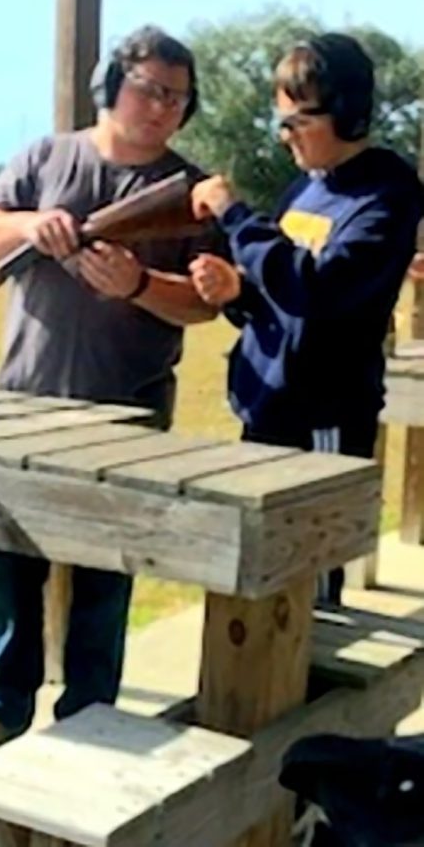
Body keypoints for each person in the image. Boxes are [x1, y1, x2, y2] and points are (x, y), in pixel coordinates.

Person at [0, 25, 225, 766]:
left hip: (127, 414)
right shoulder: (44, 157)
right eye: (150, 89)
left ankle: (89, 719)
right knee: (9, 572)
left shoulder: (187, 193)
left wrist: (138, 284)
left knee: (106, 579)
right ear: (111, 86)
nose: (163, 107)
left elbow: (204, 302)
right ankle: (1, 711)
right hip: (24, 405)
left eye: (177, 96)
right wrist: (32, 224)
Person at [189, 32, 424, 605]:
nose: (285, 136)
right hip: (268, 408)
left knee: (308, 584)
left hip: (325, 414)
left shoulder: (386, 197)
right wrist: (237, 293)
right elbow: (282, 293)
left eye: (296, 121)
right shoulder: (306, 189)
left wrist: (234, 214)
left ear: (345, 113)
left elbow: (317, 289)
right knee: (259, 575)